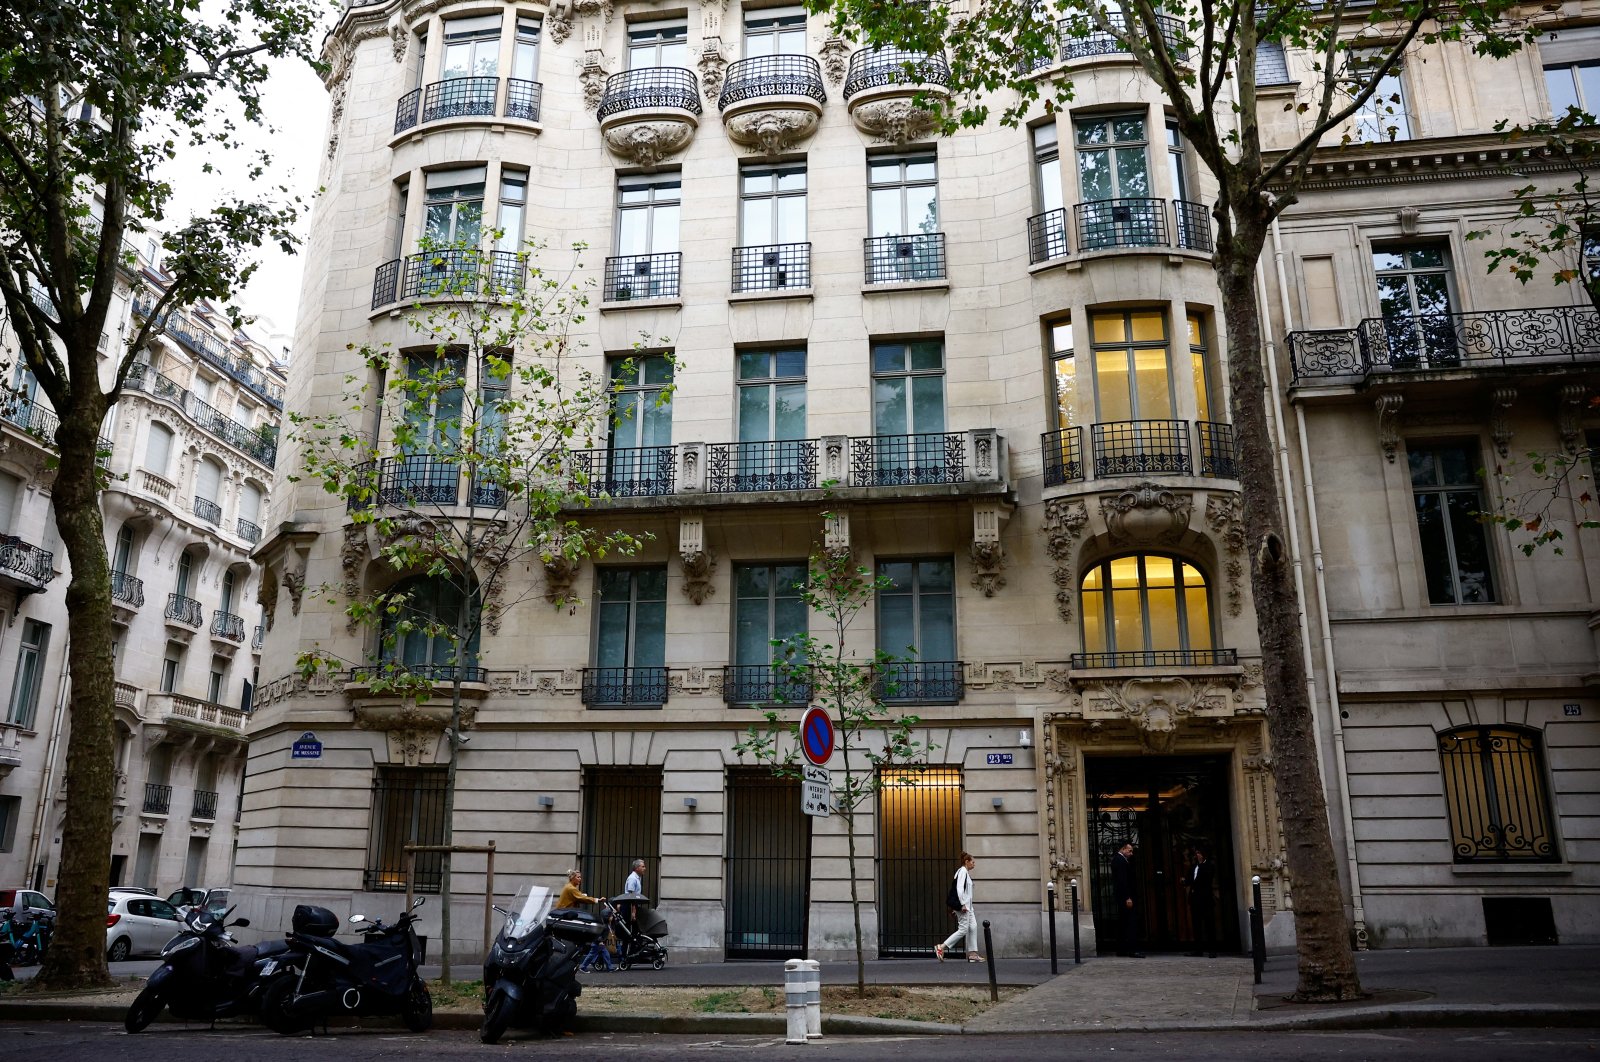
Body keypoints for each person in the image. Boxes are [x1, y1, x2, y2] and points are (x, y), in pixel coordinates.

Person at [934, 852, 984, 963]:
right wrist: (961, 905)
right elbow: (959, 889)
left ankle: (973, 954)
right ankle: (941, 947)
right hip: (964, 907)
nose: (974, 864)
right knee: (963, 930)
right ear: (966, 862)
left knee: (973, 927)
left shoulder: (964, 872)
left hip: (969, 908)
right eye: (973, 862)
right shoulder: (962, 872)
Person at [1111, 841, 1144, 957]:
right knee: (1131, 923)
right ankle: (1132, 950)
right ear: (1123, 849)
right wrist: (1127, 897)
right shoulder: (1120, 861)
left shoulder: (1119, 860)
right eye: (1129, 851)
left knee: (1123, 923)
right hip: (1126, 898)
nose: (1131, 853)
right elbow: (1122, 881)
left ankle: (1122, 949)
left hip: (1123, 897)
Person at [1185, 845, 1218, 958]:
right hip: (1195, 900)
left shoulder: (1208, 866)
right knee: (1196, 925)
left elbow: (1206, 879)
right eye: (1196, 853)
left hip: (1205, 899)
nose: (1197, 855)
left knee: (1209, 925)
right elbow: (1189, 880)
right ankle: (1198, 949)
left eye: (1199, 853)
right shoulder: (1194, 867)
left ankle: (1212, 950)